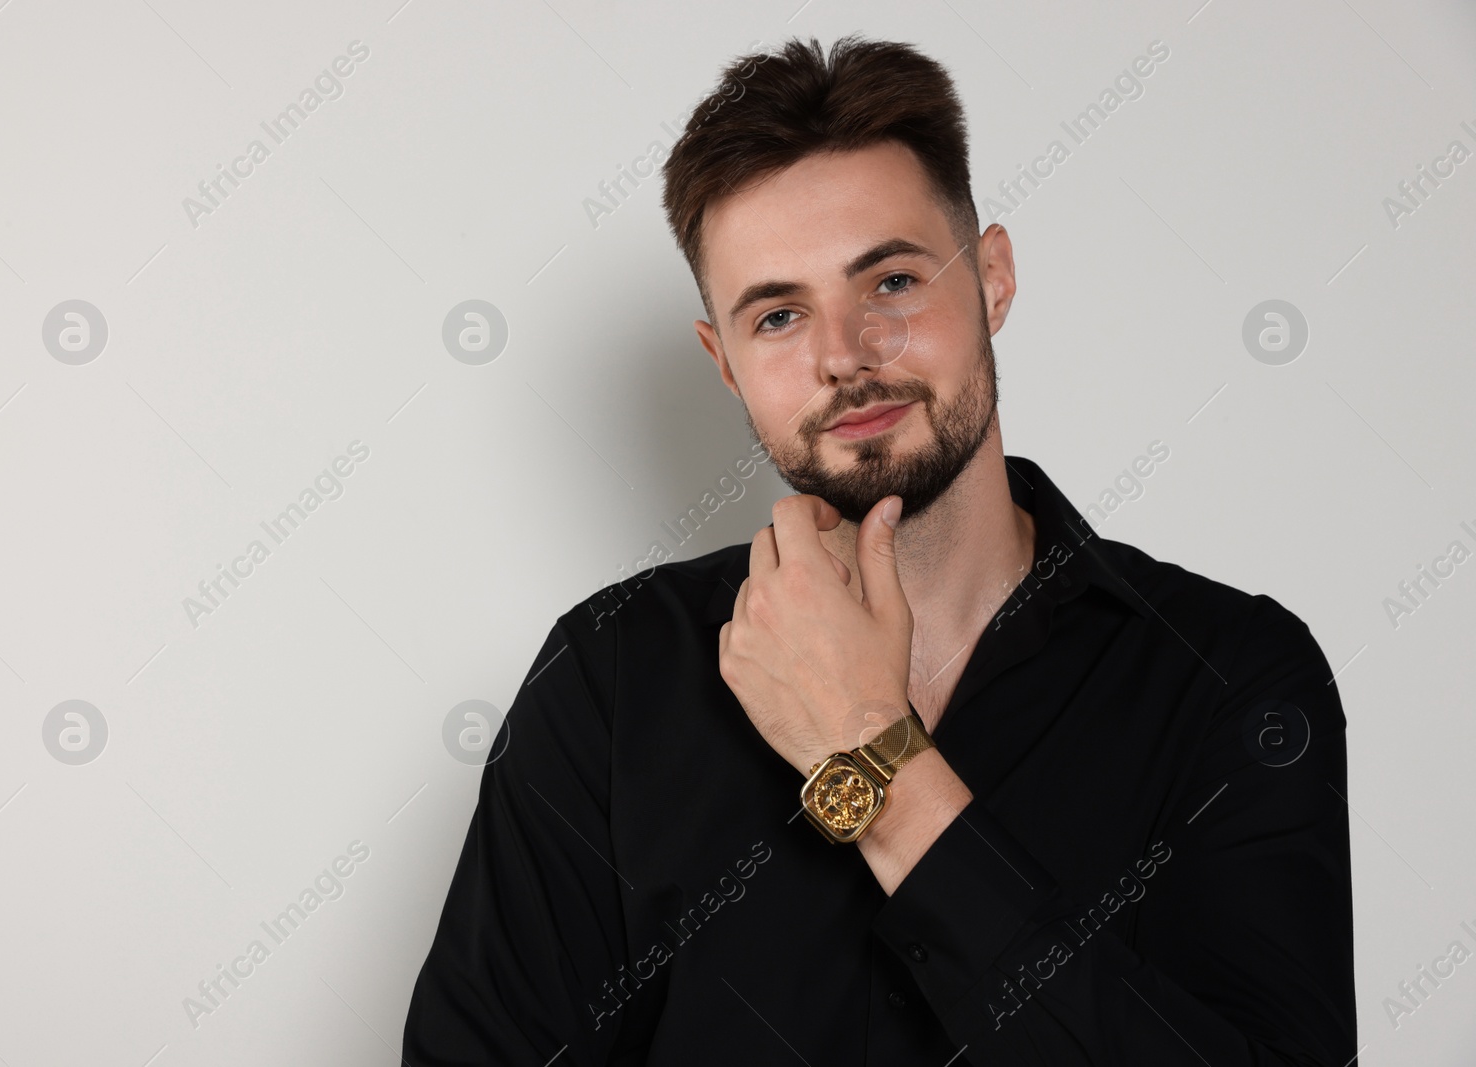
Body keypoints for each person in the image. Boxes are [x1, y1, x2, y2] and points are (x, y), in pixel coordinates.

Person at [403, 35, 1355, 1065]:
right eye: (777, 314)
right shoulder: (609, 676)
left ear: (991, 279)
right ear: (723, 363)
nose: (843, 356)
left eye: (892, 282)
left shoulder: (1233, 681)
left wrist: (871, 758)